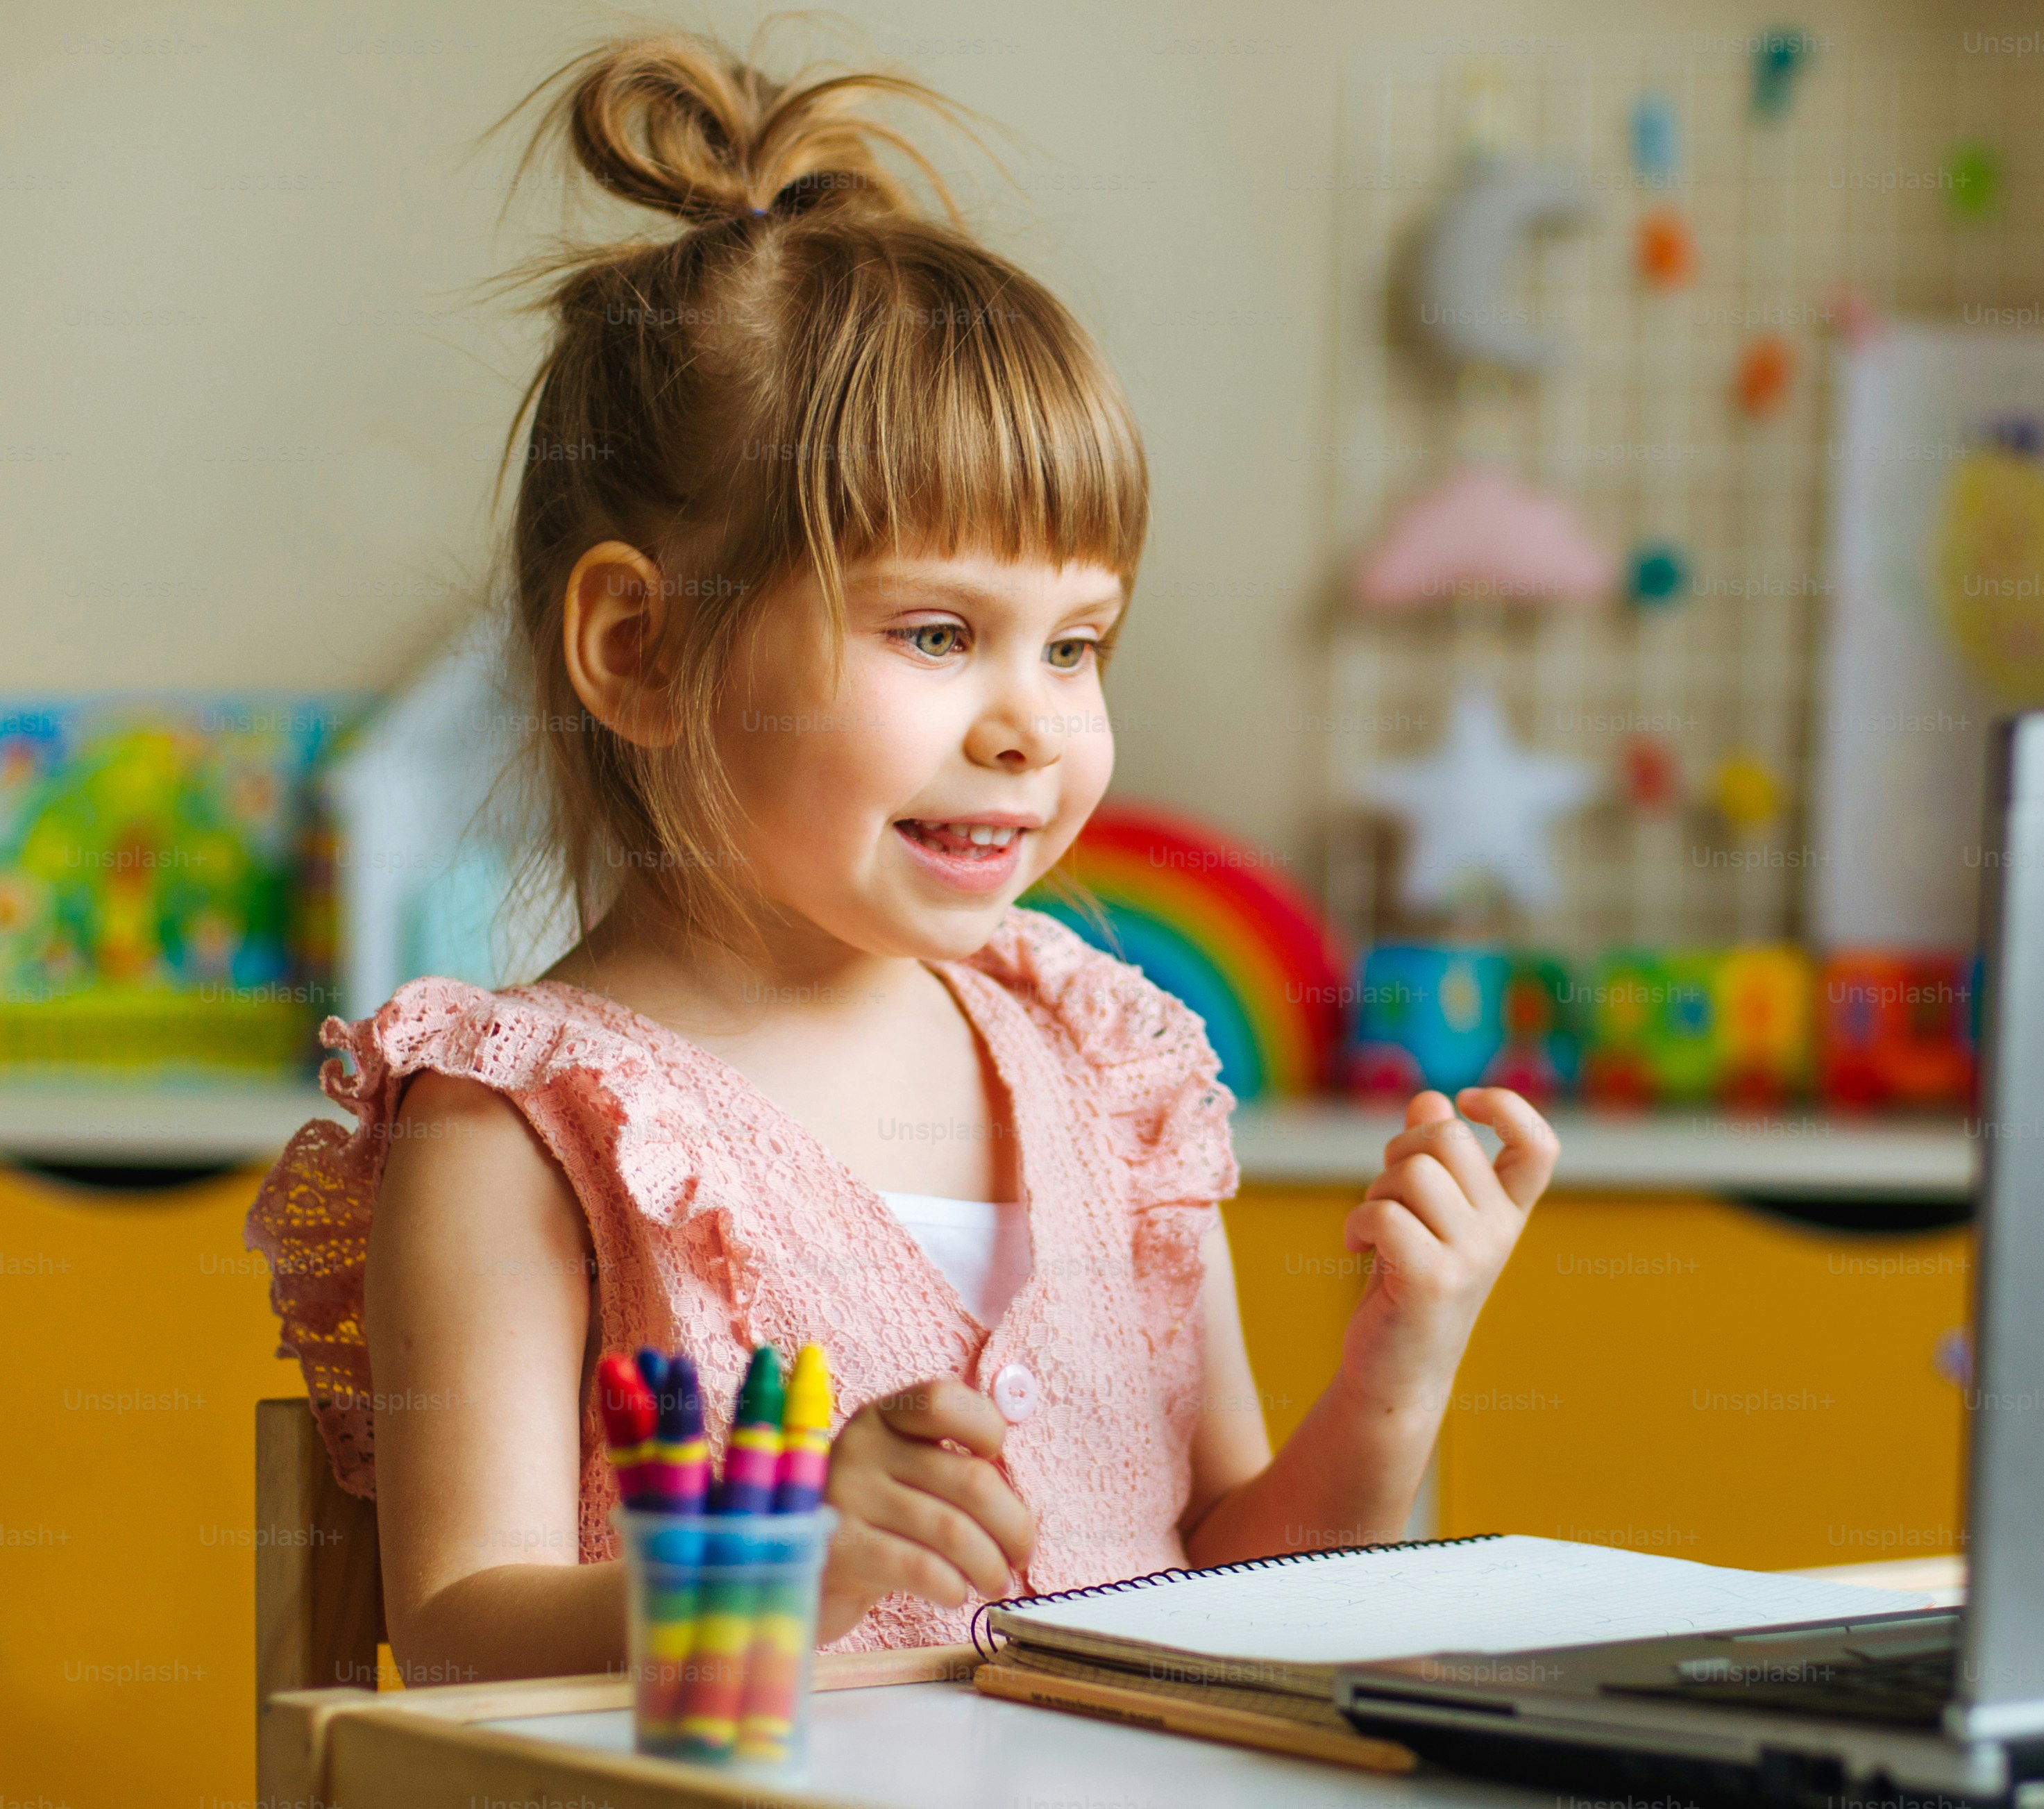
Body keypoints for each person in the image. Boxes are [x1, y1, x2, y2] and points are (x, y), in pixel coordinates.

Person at [246, 31, 1557, 1681]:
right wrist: (775, 1572)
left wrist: (1398, 1365)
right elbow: (455, 1636)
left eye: (1077, 647)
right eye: (939, 633)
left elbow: (1225, 1584)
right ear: (640, 649)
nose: (1031, 726)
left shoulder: (1111, 1062)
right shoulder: (522, 1127)